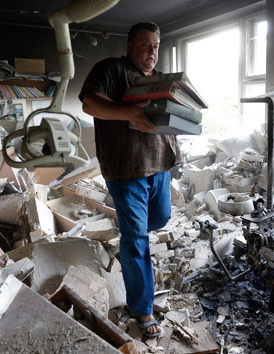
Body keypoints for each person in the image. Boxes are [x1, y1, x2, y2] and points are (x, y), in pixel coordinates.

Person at [78, 22, 180, 337]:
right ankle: (143, 309)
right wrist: (128, 113)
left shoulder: (160, 79)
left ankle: (131, 238)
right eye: (145, 45)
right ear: (130, 46)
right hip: (127, 170)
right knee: (137, 239)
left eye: (156, 46)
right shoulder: (112, 70)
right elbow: (89, 102)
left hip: (160, 165)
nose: (152, 51)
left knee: (160, 218)